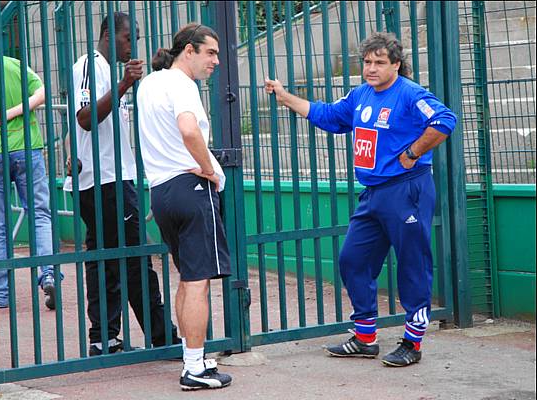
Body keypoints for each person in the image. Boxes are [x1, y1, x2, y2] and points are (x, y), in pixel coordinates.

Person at [265, 32, 457, 367]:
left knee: (412, 265)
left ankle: (413, 343)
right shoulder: (361, 95)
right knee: (352, 259)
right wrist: (285, 97)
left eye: (379, 62)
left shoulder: (410, 93)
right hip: (373, 194)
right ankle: (366, 338)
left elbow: (444, 121)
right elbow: (327, 115)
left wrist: (413, 152)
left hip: (406, 189)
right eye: (367, 61)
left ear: (396, 64)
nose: (371, 68)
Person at [64, 12, 180, 357]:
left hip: (110, 178)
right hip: (106, 182)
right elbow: (84, 119)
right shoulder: (89, 64)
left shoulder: (107, 70)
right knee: (133, 258)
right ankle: (163, 338)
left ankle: (104, 339)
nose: (132, 46)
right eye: (129, 38)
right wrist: (125, 84)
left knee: (106, 259)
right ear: (106, 33)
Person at [137, 23, 233, 390]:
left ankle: (191, 357)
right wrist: (210, 169)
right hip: (191, 186)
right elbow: (189, 131)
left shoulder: (150, 83)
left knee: (186, 278)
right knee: (198, 282)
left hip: (161, 191)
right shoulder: (182, 85)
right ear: (188, 50)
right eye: (210, 52)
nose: (216, 61)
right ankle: (194, 368)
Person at [0, 25, 58, 310]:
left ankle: (0, 293)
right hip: (28, 147)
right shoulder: (13, 65)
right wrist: (12, 113)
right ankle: (47, 272)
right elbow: (42, 94)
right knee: (40, 214)